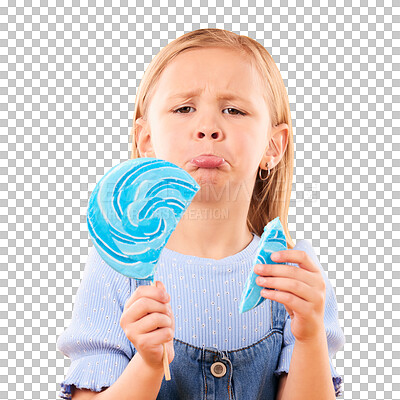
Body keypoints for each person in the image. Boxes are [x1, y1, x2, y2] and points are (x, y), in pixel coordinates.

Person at [56, 28, 345, 400]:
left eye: (234, 110)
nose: (208, 128)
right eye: (184, 108)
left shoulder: (292, 272)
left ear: (273, 146)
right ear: (146, 141)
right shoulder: (117, 269)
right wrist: (146, 364)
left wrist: (309, 336)